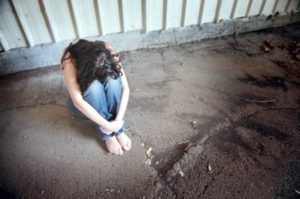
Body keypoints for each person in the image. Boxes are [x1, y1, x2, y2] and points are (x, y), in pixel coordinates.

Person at [60, 39, 131, 155]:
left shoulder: (108, 51)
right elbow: (77, 101)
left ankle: (117, 131)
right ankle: (108, 136)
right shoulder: (69, 58)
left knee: (112, 81)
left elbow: (125, 88)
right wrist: (108, 126)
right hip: (83, 106)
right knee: (94, 87)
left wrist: (117, 122)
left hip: (108, 109)